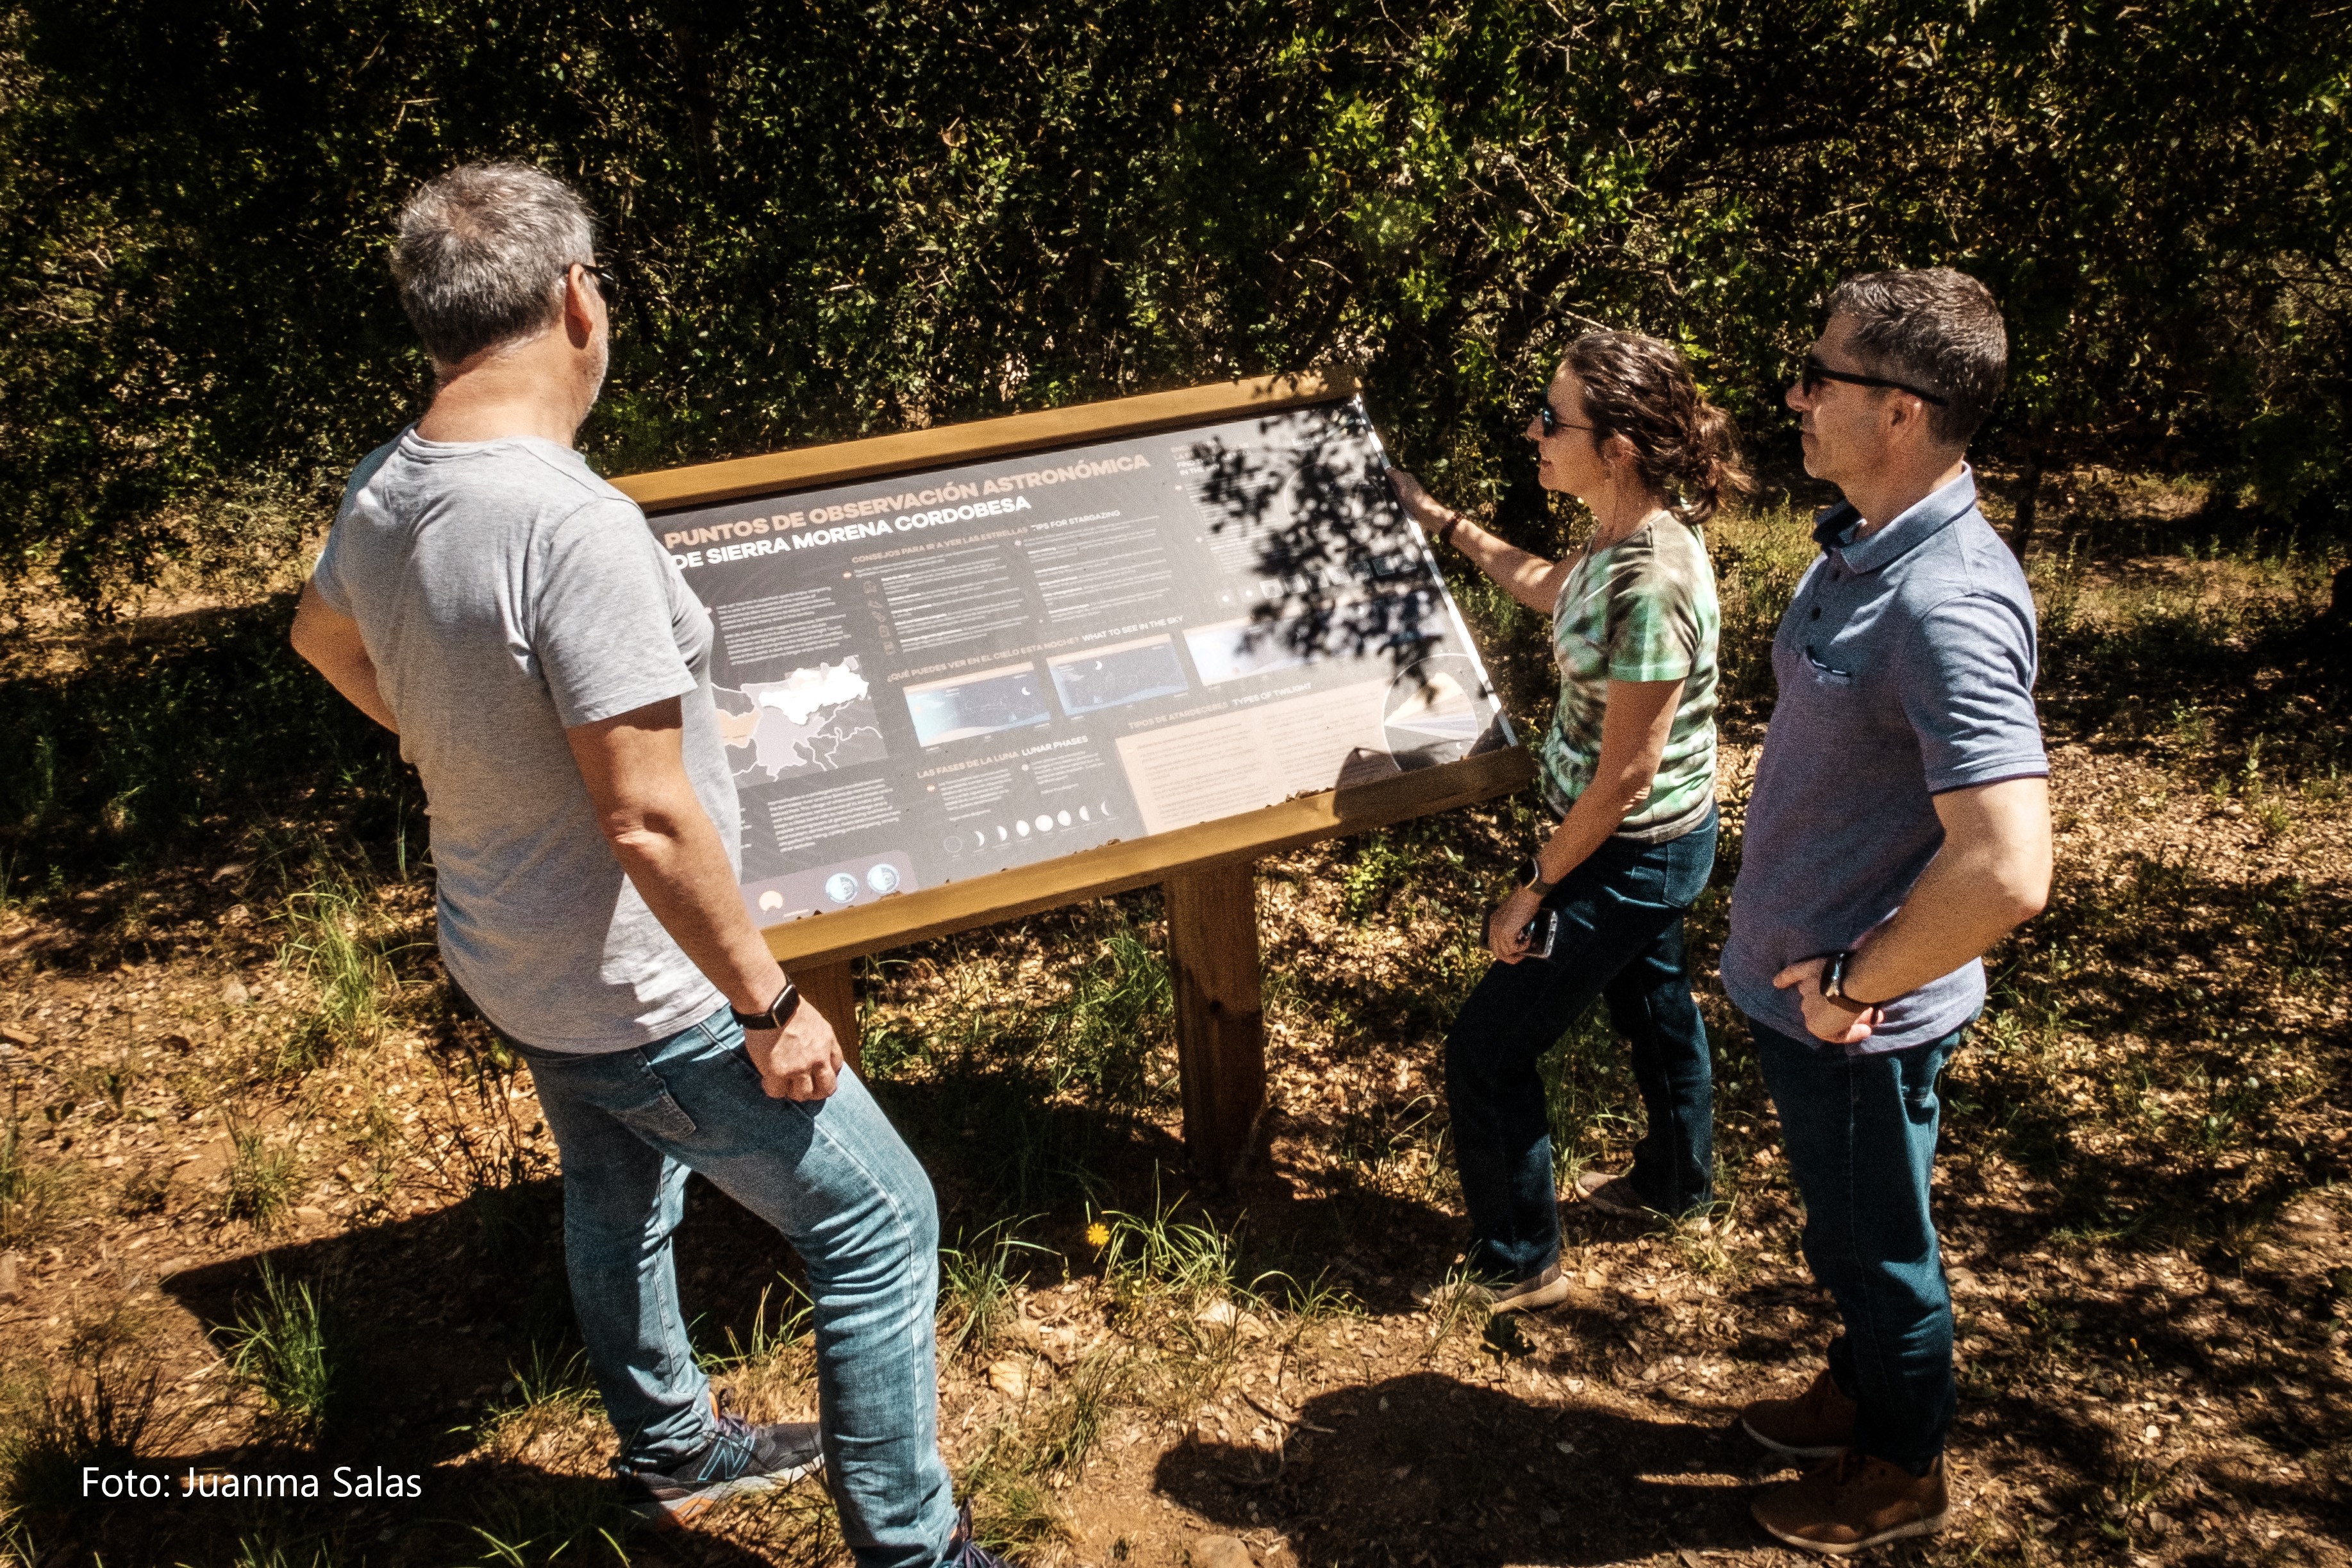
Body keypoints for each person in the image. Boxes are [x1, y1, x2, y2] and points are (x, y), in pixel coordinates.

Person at [290, 162, 1003, 1568]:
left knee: (619, 1192)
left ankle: (671, 1442)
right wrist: (767, 1004)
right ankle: (914, 1550)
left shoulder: (388, 484)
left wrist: (457, 741)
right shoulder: (570, 524)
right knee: (879, 1222)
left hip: (513, 950)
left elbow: (323, 639)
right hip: (648, 989)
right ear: (575, 299)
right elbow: (647, 818)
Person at [1722, 268, 2052, 1554]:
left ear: (1901, 410)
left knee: (1878, 1251)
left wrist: (1855, 984)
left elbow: (2006, 866)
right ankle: (1857, 1390)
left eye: (1820, 376)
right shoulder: (1862, 545)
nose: (1795, 397)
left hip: (1853, 1023)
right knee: (1846, 1232)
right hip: (1804, 1000)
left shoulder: (1945, 598)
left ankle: (1901, 1468)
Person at [1389, 329, 1748, 1311]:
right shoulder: (1617, 537)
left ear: (1617, 447)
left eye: (1552, 419)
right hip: (1652, 840)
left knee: (1487, 1049)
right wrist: (1444, 522)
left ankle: (1519, 1261)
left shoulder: (1653, 583)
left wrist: (1536, 886)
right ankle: (1677, 1184)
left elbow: (1624, 777)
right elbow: (1552, 590)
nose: (1533, 431)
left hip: (1625, 853)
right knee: (1654, 1008)